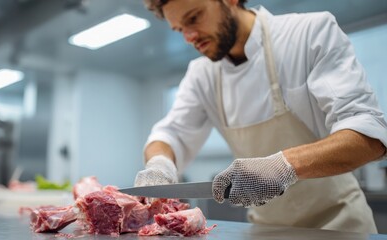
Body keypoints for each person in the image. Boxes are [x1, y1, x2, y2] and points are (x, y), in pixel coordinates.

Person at [134, 0, 387, 234]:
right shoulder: (201, 75)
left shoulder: (308, 33)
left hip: (340, 226)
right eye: (179, 29)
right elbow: (170, 134)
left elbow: (369, 133)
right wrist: (160, 164)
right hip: (267, 230)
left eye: (194, 17)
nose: (189, 37)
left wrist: (283, 166)